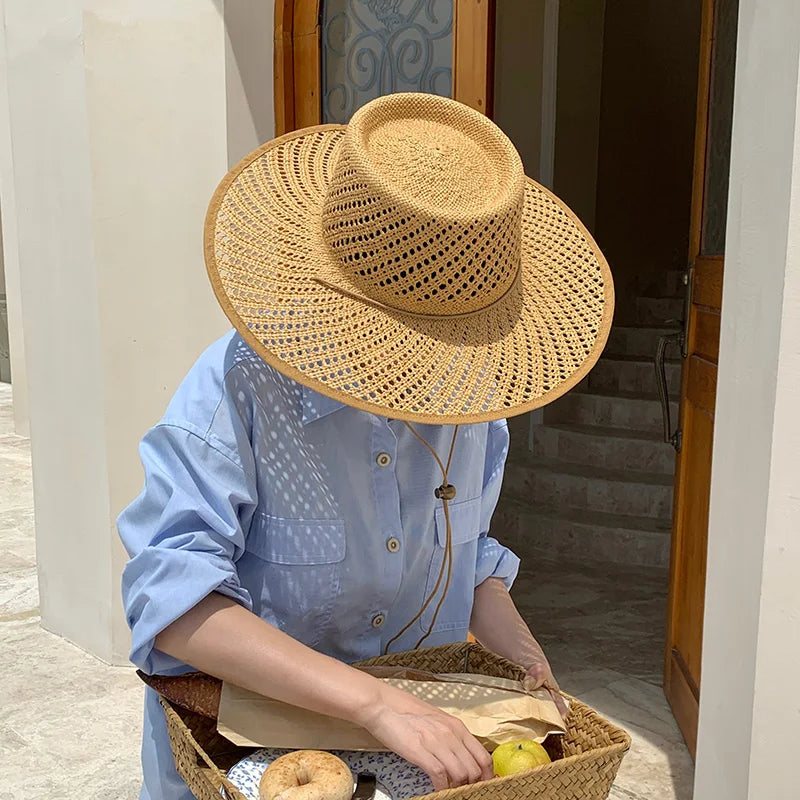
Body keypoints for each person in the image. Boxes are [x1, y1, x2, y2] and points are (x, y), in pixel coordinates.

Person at [119, 92, 613, 800]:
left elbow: (466, 555)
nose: (429, 371)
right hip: (250, 761)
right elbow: (174, 605)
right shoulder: (239, 391)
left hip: (409, 766)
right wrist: (375, 703)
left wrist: (525, 655)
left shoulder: (475, 402)